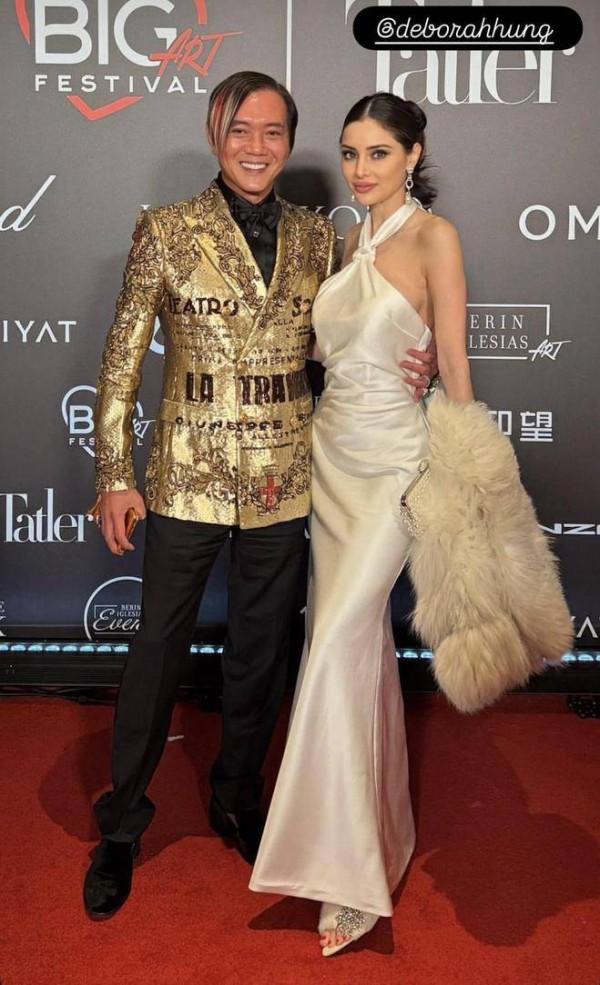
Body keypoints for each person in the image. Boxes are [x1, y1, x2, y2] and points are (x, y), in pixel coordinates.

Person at [83, 72, 439, 921]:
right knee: (157, 651)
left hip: (286, 475)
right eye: (241, 129)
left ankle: (237, 795)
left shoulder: (321, 237)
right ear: (216, 133)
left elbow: (348, 335)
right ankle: (122, 823)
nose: (256, 146)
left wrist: (414, 358)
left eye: (274, 133)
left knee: (259, 651)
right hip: (185, 472)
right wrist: (113, 472)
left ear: (289, 143)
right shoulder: (166, 230)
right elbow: (122, 358)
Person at [249, 93, 474, 956]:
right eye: (350, 153)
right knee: (351, 649)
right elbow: (334, 351)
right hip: (330, 459)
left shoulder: (435, 238)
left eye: (378, 152)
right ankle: (374, 835)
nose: (360, 169)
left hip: (393, 469)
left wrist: (464, 472)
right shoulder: (351, 242)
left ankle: (345, 874)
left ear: (413, 155)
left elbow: (454, 363)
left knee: (339, 642)